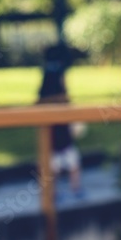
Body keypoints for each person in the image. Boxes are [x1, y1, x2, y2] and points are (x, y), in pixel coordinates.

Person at [37, 65, 83, 197]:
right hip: (52, 144)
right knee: (51, 168)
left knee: (74, 164)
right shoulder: (46, 103)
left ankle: (76, 189)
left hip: (65, 142)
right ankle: (52, 193)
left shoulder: (65, 100)